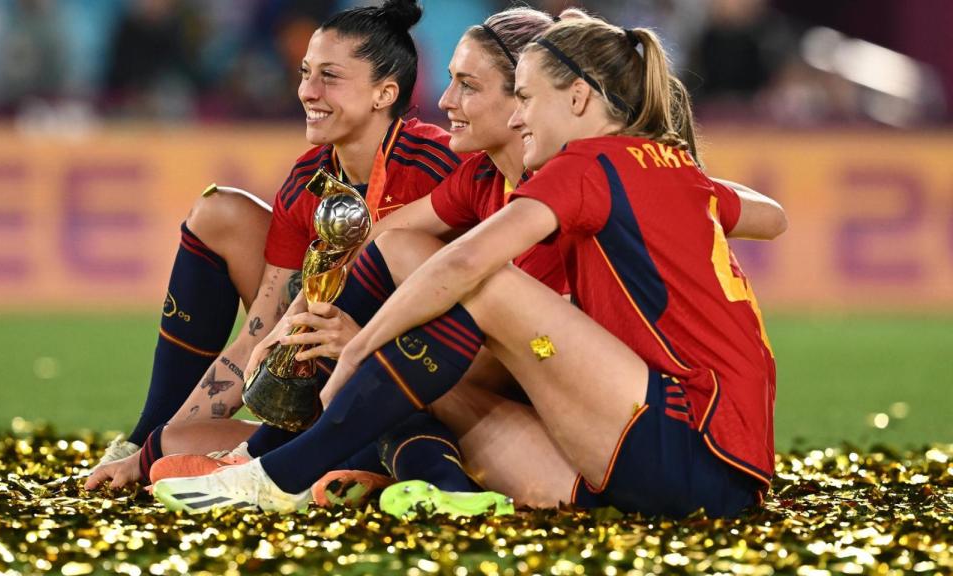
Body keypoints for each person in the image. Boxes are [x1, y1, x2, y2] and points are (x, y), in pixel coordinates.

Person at [152, 13, 787, 518]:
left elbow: (467, 262)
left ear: (579, 99)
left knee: (479, 283)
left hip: (682, 439)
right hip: (712, 463)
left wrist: (360, 347)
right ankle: (417, 478)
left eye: (527, 99)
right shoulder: (656, 165)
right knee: (420, 295)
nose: (517, 115)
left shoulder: (588, 165)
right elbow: (773, 217)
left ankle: (280, 471)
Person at [85, 0, 464, 490]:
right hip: (328, 393)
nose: (307, 91)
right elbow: (261, 334)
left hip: (421, 386)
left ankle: (351, 467)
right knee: (166, 451)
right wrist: (147, 448)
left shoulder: (438, 167)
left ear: (384, 92)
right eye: (305, 72)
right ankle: (306, 463)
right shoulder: (306, 181)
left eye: (330, 76)